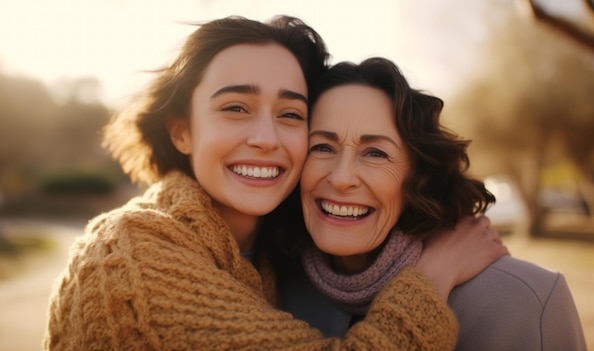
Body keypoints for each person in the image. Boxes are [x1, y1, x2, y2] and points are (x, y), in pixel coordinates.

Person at [43, 16, 507, 350]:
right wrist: (432, 277)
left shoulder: (269, 258)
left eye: (290, 115)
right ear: (181, 130)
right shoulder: (133, 252)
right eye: (236, 108)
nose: (266, 139)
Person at [278, 57, 587, 350]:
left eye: (376, 153)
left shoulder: (525, 302)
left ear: (418, 177)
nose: (342, 178)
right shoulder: (271, 289)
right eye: (321, 147)